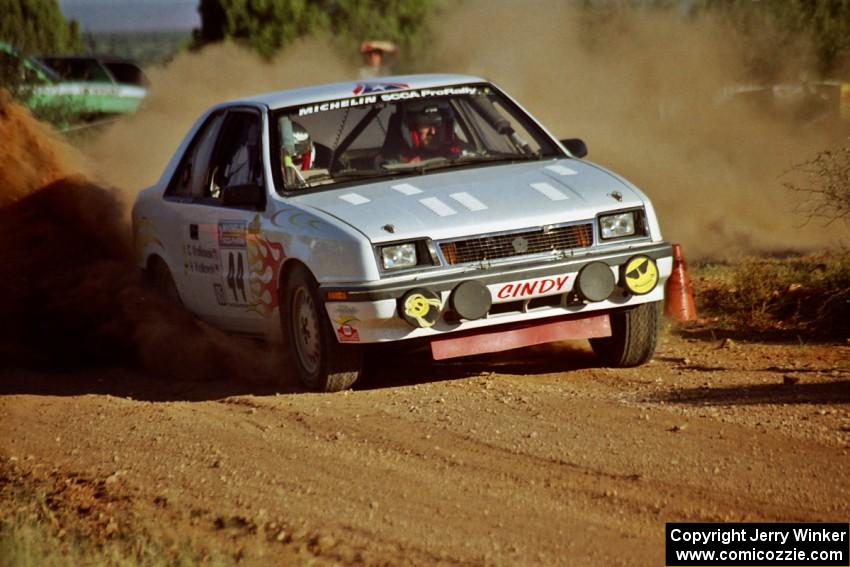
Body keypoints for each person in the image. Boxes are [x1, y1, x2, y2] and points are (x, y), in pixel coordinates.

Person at [395, 102, 464, 163]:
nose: (433, 132)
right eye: (426, 126)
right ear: (412, 131)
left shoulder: (464, 154)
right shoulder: (397, 164)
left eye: (438, 125)